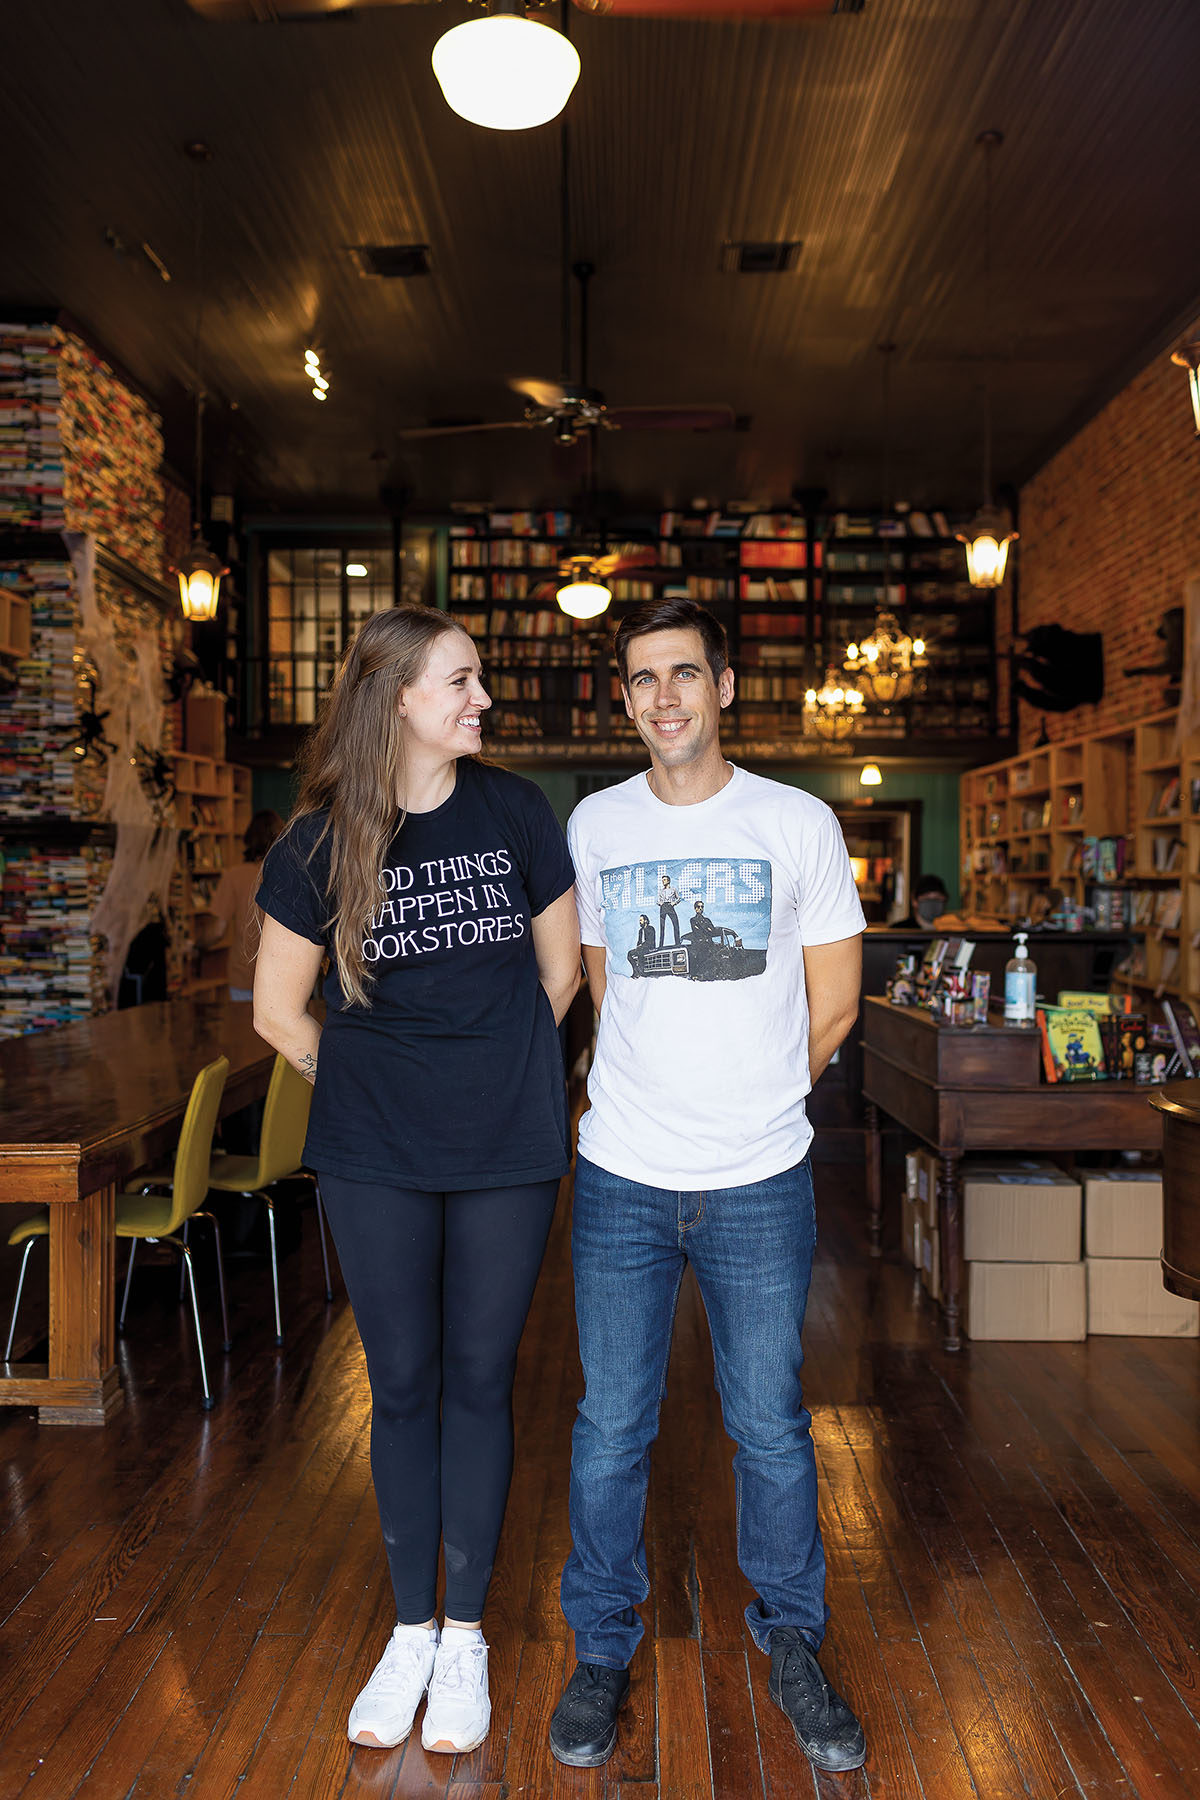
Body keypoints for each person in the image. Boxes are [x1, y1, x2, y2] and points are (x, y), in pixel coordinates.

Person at [252, 605, 580, 1757]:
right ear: (397, 698)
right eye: (461, 681)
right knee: (400, 1386)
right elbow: (276, 1010)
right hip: (373, 1153)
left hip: (505, 1146)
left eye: (478, 680)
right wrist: (373, 1082)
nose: (481, 698)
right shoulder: (316, 841)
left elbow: (558, 976)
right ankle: (407, 1630)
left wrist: (484, 1073)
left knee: (483, 1381)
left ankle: (468, 1636)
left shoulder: (518, 812)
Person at [550, 598, 867, 1777]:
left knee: (773, 1429)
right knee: (608, 1429)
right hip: (624, 1171)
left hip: (760, 1178)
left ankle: (792, 1642)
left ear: (725, 688)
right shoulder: (592, 824)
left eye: (687, 674)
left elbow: (833, 1000)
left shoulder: (797, 821)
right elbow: (596, 987)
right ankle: (600, 1650)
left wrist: (759, 1099)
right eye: (643, 680)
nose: (666, 697)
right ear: (625, 699)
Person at [196, 809, 284, 1000]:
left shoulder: (233, 876)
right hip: (282, 977)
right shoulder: (287, 876)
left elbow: (217, 931)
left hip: (242, 974)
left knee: (241, 1029)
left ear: (249, 840)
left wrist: (195, 945)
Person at [658, 872, 681, 946]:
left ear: (668, 881)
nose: (663, 881)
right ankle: (660, 945)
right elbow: (658, 900)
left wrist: (674, 903)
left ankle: (677, 943)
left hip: (670, 906)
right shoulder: (661, 891)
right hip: (663, 907)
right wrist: (660, 903)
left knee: (675, 924)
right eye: (662, 880)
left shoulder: (673, 889)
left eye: (664, 880)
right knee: (662, 926)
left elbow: (678, 898)